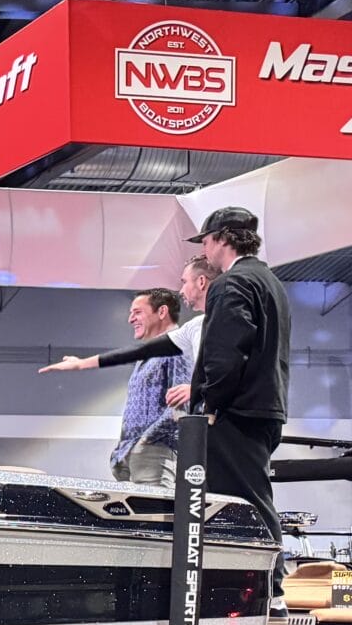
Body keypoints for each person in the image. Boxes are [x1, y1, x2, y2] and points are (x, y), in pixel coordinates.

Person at [185, 207, 291, 598]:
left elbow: (227, 352)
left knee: (246, 502)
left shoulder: (232, 284)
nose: (206, 250)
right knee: (251, 498)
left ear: (223, 239)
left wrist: (211, 403)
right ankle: (259, 590)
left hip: (237, 411)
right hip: (264, 408)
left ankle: (269, 593)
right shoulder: (270, 281)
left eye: (207, 241)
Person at [38, 285, 189, 486]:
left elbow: (181, 408)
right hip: (132, 453)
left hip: (154, 452)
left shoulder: (178, 349)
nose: (130, 319)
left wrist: (146, 441)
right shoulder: (150, 354)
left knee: (150, 514)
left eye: (137, 312)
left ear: (162, 312)